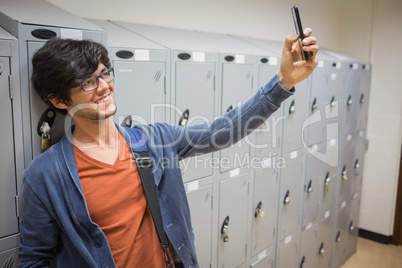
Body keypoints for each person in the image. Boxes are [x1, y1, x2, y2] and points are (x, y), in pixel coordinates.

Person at [18, 28, 318, 268]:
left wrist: (283, 81)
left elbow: (222, 131)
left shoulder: (155, 141)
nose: (104, 86)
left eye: (105, 73)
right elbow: (34, 258)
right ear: (58, 100)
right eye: (87, 82)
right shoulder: (44, 176)